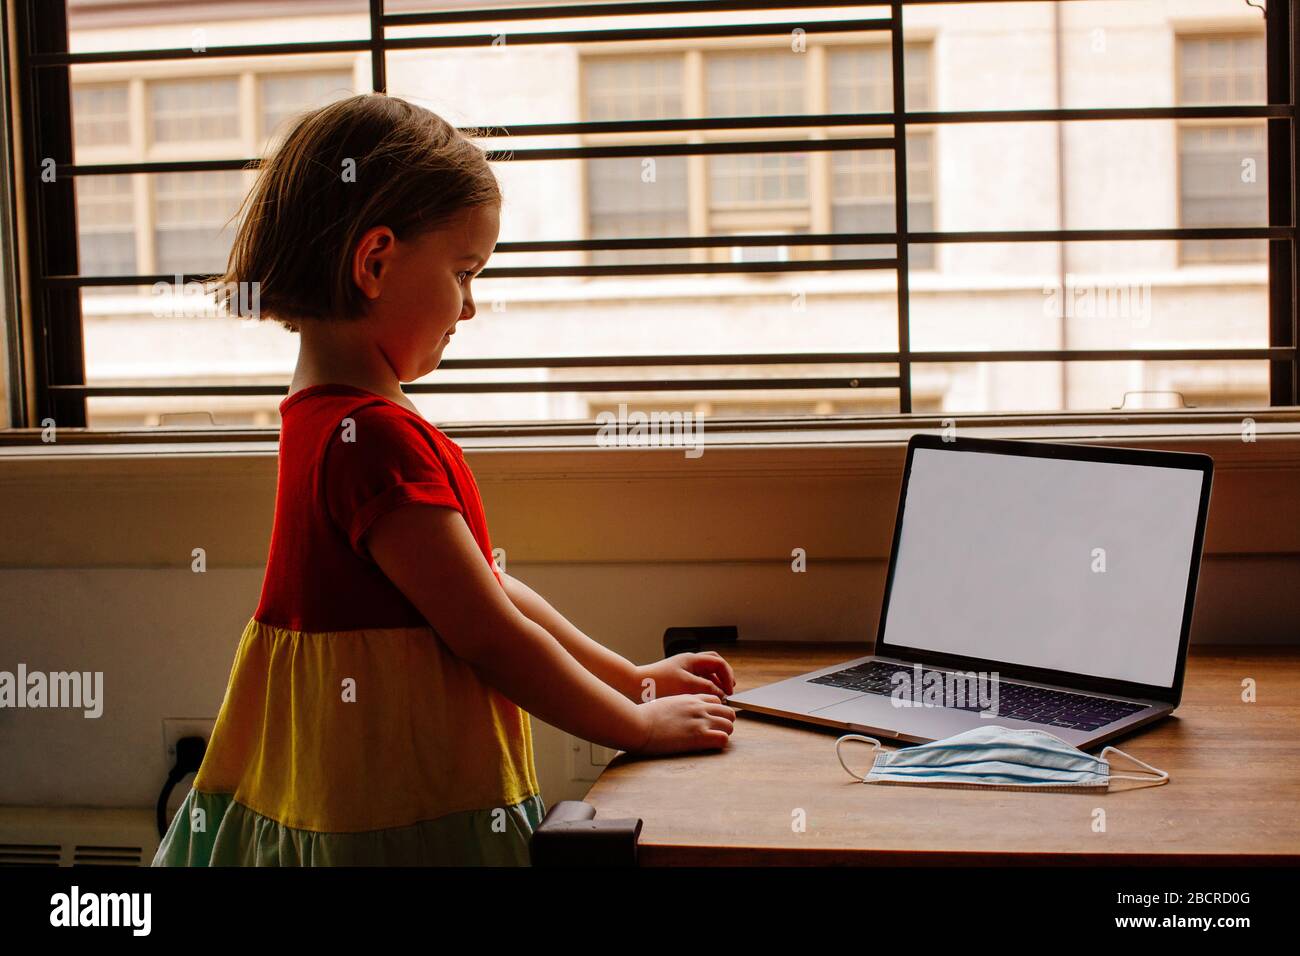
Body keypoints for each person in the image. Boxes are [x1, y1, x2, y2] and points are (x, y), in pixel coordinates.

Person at [152, 93, 736, 866]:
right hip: (401, 816)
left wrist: (632, 681)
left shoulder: (321, 418)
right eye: (463, 272)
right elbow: (490, 636)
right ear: (375, 262)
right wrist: (634, 726)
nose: (470, 305)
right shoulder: (374, 441)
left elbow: (489, 595)